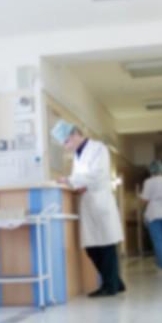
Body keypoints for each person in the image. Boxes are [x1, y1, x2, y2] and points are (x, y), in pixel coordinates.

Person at [51, 120, 125, 297]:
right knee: (92, 247)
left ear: (75, 134)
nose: (66, 146)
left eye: (66, 142)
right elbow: (81, 179)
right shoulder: (78, 155)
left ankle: (110, 286)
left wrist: (70, 180)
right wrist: (74, 184)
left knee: (105, 245)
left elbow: (98, 174)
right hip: (89, 203)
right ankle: (116, 283)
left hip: (100, 202)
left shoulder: (98, 149)